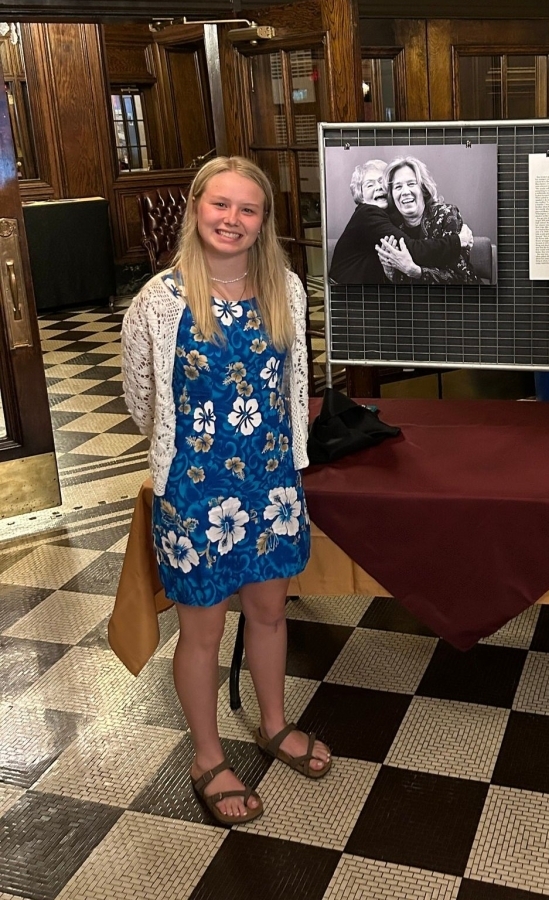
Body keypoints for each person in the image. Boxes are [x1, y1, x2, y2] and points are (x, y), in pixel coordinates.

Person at [122, 156, 332, 827]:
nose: (232, 220)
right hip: (195, 491)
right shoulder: (161, 299)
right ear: (196, 207)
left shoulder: (287, 290)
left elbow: (295, 386)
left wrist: (286, 460)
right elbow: (140, 400)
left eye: (248, 209)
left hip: (270, 484)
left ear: (263, 220)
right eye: (221, 205)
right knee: (203, 630)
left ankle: (273, 723)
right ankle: (207, 757)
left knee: (270, 612)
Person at [329, 158, 473, 284]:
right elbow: (411, 250)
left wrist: (413, 270)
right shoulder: (368, 213)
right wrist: (458, 241)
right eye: (369, 184)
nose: (378, 187)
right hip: (347, 292)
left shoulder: (443, 215)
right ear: (360, 195)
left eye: (381, 182)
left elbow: (460, 277)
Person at [377, 155, 479, 284]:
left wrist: (415, 271)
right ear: (391, 196)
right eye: (398, 187)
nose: (405, 192)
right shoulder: (392, 227)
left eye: (411, 184)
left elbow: (460, 277)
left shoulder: (447, 215)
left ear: (423, 188)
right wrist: (389, 273)